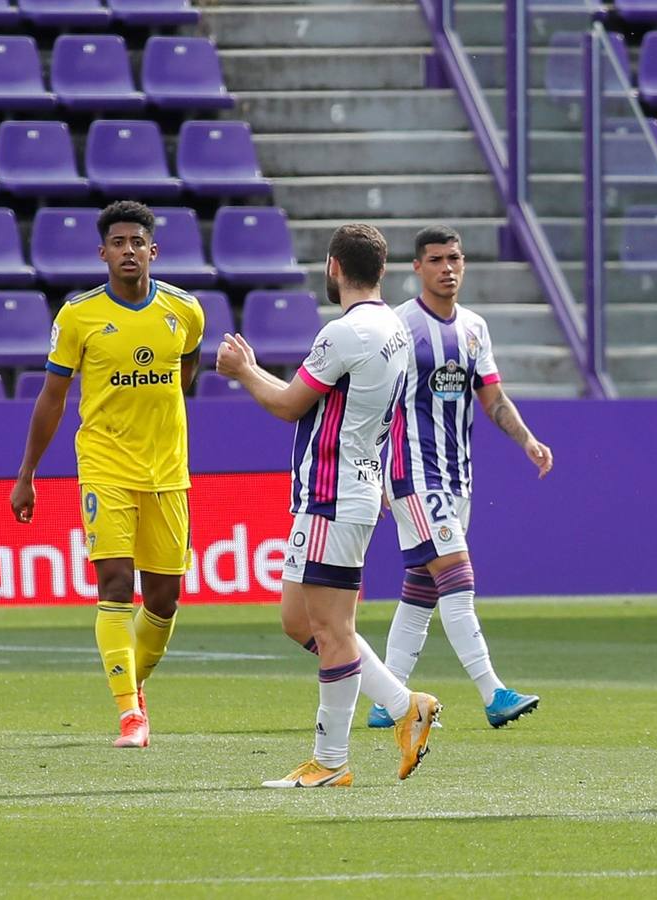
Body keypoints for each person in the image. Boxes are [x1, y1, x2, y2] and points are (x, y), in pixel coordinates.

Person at [215, 223, 440, 788]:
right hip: (352, 487)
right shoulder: (393, 327)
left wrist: (243, 371)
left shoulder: (343, 333)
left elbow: (291, 405)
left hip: (332, 493)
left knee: (333, 629)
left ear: (334, 267)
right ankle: (404, 704)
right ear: (382, 270)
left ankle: (331, 761)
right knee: (300, 620)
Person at [10, 201, 204, 749]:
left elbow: (185, 371)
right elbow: (51, 399)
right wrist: (27, 474)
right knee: (115, 584)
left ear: (152, 250)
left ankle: (132, 682)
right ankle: (130, 716)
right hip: (103, 466)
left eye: (136, 242)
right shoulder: (78, 316)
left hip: (167, 472)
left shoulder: (186, 311)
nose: (127, 251)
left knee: (164, 599)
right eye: (117, 242)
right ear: (103, 252)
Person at [365, 225, 551, 730]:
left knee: (420, 591)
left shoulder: (473, 328)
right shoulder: (400, 326)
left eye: (454, 258)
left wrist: (527, 440)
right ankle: (494, 694)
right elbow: (376, 399)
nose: (448, 267)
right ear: (417, 268)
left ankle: (387, 702)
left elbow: (491, 395)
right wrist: (375, 467)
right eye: (436, 260)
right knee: (458, 580)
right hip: (413, 473)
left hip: (457, 479)